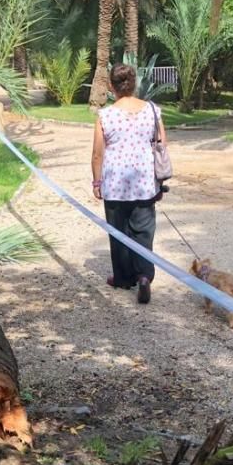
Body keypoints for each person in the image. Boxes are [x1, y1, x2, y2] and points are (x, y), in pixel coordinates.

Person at [91, 63, 166, 305]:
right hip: (145, 182)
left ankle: (123, 278)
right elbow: (162, 141)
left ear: (112, 87)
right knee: (144, 231)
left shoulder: (105, 115)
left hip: (115, 184)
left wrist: (96, 181)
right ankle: (144, 276)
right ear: (134, 85)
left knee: (118, 231)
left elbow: (97, 154)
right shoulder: (152, 110)